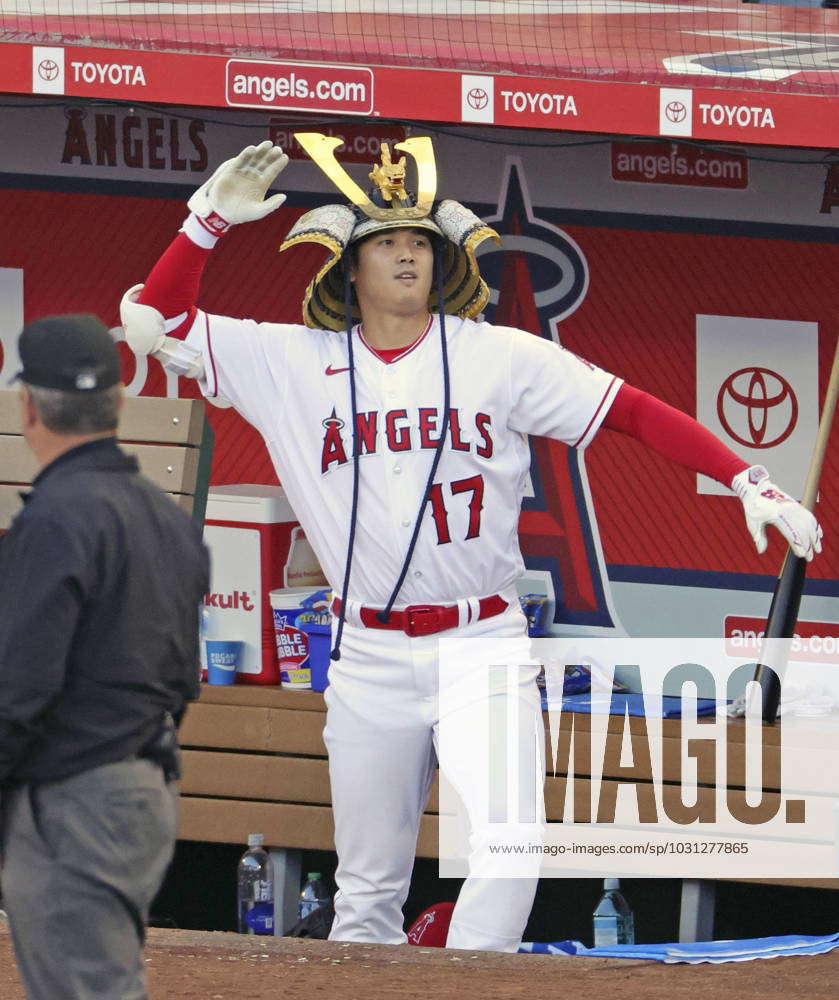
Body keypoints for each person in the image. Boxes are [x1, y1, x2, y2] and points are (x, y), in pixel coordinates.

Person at [120, 138, 822, 952]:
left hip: (479, 638)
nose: (407, 254)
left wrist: (745, 479)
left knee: (509, 843)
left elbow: (628, 408)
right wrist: (204, 222)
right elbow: (158, 319)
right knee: (366, 889)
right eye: (385, 242)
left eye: (420, 241)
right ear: (349, 266)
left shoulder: (495, 356)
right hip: (366, 651)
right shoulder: (288, 359)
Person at [0, 314, 210, 999]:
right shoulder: (163, 515)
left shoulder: (57, 517)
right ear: (120, 403)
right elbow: (183, 678)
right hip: (144, 790)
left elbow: (19, 688)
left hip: (73, 797)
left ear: (27, 406)